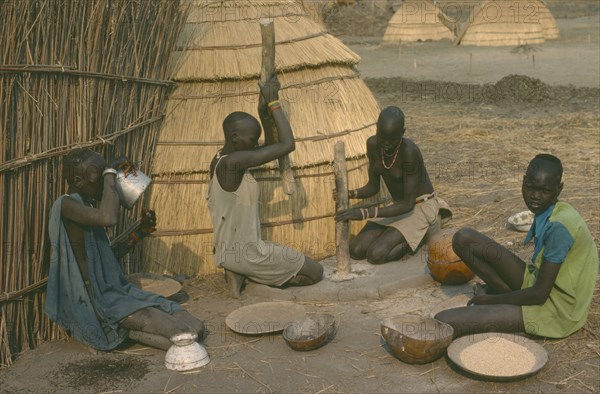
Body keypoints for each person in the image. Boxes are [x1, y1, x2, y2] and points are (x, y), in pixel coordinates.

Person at [45, 149, 204, 352]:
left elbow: (105, 258)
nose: (103, 182)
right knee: (183, 333)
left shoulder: (86, 206)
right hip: (99, 302)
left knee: (194, 325)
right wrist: (110, 172)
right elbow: (109, 218)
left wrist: (139, 233)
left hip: (117, 294)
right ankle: (144, 333)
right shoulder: (66, 205)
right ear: (77, 180)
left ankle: (144, 333)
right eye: (98, 177)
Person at [435, 154, 599, 339]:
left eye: (544, 191)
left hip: (556, 311)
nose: (535, 196)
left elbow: (539, 295)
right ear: (523, 182)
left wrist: (489, 301)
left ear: (558, 189)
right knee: (463, 238)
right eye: (530, 187)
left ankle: (505, 302)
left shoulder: (560, 226)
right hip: (537, 283)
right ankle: (507, 297)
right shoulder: (550, 210)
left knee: (444, 320)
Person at [207, 75, 323, 298]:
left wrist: (263, 112)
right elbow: (287, 144)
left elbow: (270, 146)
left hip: (227, 250)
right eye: (252, 140)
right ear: (234, 136)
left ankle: (237, 271)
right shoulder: (234, 163)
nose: (255, 145)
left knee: (288, 264)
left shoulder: (222, 158)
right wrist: (274, 103)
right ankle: (247, 271)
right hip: (249, 253)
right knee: (315, 272)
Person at [335, 106, 451, 264]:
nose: (386, 144)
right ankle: (400, 234)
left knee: (376, 255)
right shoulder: (373, 145)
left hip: (419, 206)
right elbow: (373, 186)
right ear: (376, 129)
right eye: (382, 137)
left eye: (392, 139)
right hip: (397, 206)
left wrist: (364, 213)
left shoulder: (409, 152)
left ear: (402, 133)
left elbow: (408, 204)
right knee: (356, 250)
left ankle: (420, 236)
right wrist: (351, 193)